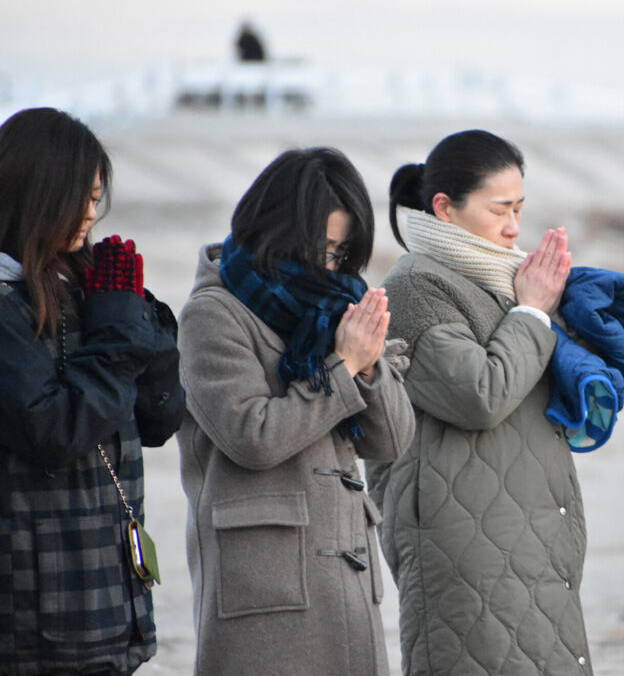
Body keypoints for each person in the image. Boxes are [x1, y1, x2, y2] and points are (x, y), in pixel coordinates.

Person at [176, 147, 415, 674]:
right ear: (274, 228)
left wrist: (370, 367)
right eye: (321, 249)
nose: (329, 267)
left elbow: (392, 442)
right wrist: (343, 366)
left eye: (341, 253)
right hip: (265, 591)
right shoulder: (213, 313)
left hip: (347, 579)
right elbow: (252, 436)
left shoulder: (332, 307)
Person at [367, 129, 595, 674]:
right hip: (466, 542)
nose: (514, 227)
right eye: (500, 210)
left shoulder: (498, 278)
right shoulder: (415, 287)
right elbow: (479, 394)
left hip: (528, 529)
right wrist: (534, 312)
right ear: (444, 208)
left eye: (520, 208)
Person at [0, 107, 185, 673]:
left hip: (109, 594)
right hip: (41, 607)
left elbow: (159, 421)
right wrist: (117, 335)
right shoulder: (7, 305)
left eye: (96, 197)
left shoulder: (83, 287)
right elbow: (54, 429)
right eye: (77, 197)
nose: (89, 213)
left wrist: (135, 316)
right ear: (34, 195)